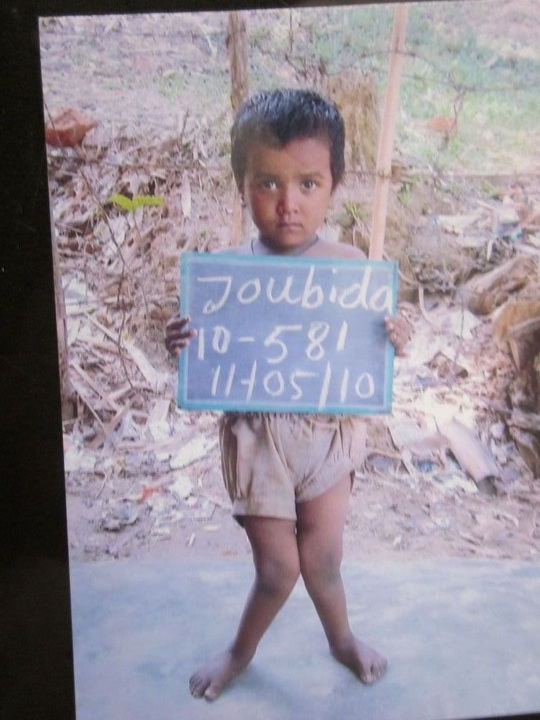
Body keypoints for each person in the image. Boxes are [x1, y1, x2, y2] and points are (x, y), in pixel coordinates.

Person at [165, 88, 409, 701]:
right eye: (267, 183)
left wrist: (393, 337)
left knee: (323, 560)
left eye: (307, 184)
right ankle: (239, 652)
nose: (287, 204)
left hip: (328, 436)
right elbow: (207, 350)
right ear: (241, 183)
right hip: (258, 440)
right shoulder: (223, 275)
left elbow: (366, 348)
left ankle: (341, 639)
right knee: (277, 569)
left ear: (334, 186)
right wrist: (184, 341)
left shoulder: (351, 268)